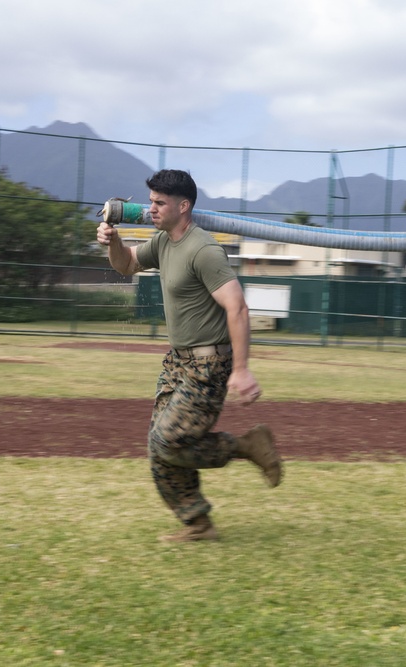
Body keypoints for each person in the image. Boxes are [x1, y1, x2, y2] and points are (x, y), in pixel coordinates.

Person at [96, 169, 283, 542]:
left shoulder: (204, 249)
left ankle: (247, 446)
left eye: (159, 203)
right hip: (178, 361)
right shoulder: (165, 242)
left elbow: (238, 308)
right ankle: (197, 522)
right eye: (150, 201)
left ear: (184, 206)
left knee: (169, 440)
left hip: (209, 364)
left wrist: (242, 370)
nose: (151, 210)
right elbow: (127, 264)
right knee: (158, 445)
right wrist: (111, 242)